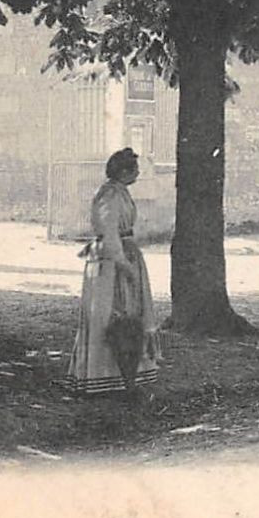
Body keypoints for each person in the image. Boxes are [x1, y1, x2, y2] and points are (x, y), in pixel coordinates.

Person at [64, 148, 161, 394]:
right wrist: (123, 263)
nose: (138, 173)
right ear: (123, 171)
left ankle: (124, 372)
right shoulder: (111, 195)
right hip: (111, 261)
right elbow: (109, 231)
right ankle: (105, 374)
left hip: (121, 253)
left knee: (126, 312)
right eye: (134, 169)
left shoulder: (119, 192)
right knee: (110, 312)